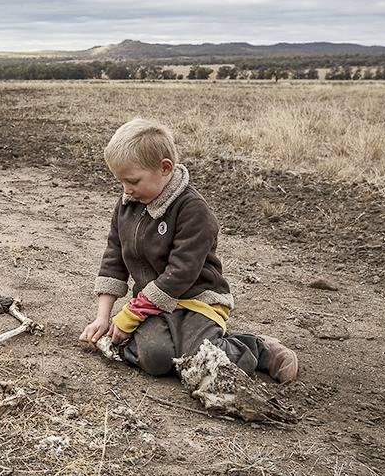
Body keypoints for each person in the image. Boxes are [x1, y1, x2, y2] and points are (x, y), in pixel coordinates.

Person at [78, 117, 298, 382]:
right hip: (153, 306)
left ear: (165, 168)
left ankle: (258, 348)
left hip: (196, 300)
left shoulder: (193, 210)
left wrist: (130, 315)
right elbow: (114, 257)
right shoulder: (127, 205)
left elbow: (181, 274)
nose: (127, 190)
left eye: (133, 181)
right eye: (121, 182)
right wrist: (103, 317)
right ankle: (165, 345)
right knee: (155, 358)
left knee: (200, 357)